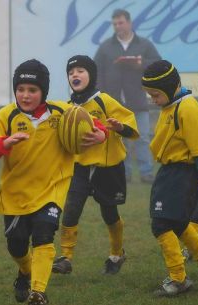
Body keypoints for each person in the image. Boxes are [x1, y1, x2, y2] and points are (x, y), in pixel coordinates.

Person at [0, 59, 107, 305]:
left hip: (52, 189)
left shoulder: (63, 112)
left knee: (44, 235)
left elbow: (93, 123)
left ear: (44, 92)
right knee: (16, 245)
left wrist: (101, 134)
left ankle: (39, 292)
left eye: (32, 90)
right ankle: (25, 272)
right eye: (21, 89)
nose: (25, 95)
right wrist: (5, 142)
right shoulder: (6, 116)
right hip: (15, 193)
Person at [141, 60, 198, 297]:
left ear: (169, 87)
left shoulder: (187, 107)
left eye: (155, 94)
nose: (153, 99)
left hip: (182, 173)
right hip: (170, 171)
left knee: (160, 224)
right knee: (176, 222)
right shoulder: (172, 105)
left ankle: (178, 279)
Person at [52, 55, 138, 276]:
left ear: (91, 75)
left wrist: (116, 128)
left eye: (80, 70)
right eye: (71, 72)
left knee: (109, 212)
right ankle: (66, 258)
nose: (75, 75)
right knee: (71, 210)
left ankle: (117, 254)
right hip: (79, 167)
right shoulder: (69, 107)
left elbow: (130, 124)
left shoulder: (104, 101)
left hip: (107, 167)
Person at [94, 8, 161, 184]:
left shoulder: (144, 45)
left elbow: (158, 65)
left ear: (130, 23)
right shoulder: (105, 47)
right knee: (119, 139)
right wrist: (101, 95)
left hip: (138, 100)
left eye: (121, 22)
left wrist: (141, 63)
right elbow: (96, 71)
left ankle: (146, 173)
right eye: (115, 23)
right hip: (114, 102)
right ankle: (124, 174)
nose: (118, 26)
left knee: (143, 138)